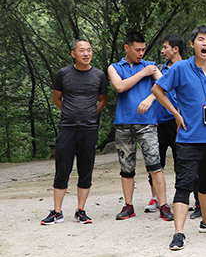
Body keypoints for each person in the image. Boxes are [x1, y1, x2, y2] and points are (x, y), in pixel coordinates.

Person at [153, 25, 206, 251]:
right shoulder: (180, 68)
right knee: (184, 184)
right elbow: (158, 90)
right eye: (201, 39)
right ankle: (178, 233)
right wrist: (175, 113)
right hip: (188, 138)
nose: (205, 44)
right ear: (192, 44)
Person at [107, 31, 171, 221]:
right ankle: (128, 205)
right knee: (126, 167)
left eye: (143, 49)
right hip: (123, 122)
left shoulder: (151, 66)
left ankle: (164, 205)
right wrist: (143, 74)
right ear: (127, 48)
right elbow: (119, 87)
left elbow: (165, 85)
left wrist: (152, 98)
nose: (141, 53)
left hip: (147, 123)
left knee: (155, 165)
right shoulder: (115, 67)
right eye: (137, 49)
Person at [43, 40, 108, 225]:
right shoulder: (63, 73)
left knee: (86, 169)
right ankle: (56, 211)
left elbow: (102, 100)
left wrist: (89, 113)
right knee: (62, 168)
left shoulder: (99, 75)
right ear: (73, 54)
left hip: (89, 129)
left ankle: (81, 210)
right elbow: (57, 98)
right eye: (82, 50)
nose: (86, 54)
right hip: (67, 128)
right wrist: (69, 112)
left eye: (89, 50)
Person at [147, 35, 184, 214]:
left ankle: (181, 198)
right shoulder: (159, 69)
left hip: (179, 122)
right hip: (158, 122)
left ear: (175, 49)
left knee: (182, 161)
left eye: (165, 47)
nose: (162, 51)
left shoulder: (187, 68)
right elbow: (157, 89)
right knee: (156, 161)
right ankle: (156, 197)